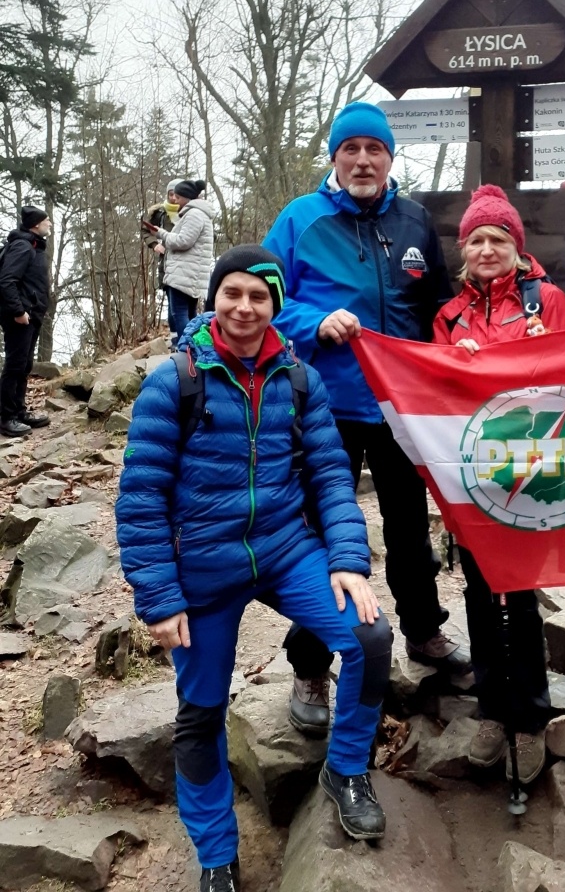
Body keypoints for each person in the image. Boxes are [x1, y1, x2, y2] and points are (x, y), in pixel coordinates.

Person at [116, 245, 392, 891]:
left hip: (285, 549)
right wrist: (158, 594)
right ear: (214, 298)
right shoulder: (175, 380)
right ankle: (216, 855)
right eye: (231, 293)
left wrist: (348, 557)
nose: (244, 307)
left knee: (370, 637)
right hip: (202, 571)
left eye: (258, 296)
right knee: (201, 713)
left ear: (275, 306)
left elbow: (330, 474)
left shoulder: (300, 379)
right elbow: (140, 495)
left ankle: (345, 768)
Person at [263, 100, 467, 737]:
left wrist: (460, 339)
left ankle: (425, 631)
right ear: (334, 158)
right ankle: (310, 663)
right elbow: (262, 296)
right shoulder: (300, 218)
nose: (362, 160)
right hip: (323, 403)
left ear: (389, 158)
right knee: (321, 535)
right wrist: (312, 323)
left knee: (409, 525)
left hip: (401, 406)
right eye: (349, 150)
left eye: (373, 150)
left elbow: (436, 302)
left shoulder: (413, 219)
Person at [432, 185, 565, 784]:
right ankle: (492, 710)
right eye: (476, 239)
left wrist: (550, 354)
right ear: (464, 250)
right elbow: (436, 399)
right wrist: (453, 362)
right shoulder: (448, 315)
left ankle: (532, 715)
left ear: (517, 248)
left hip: (536, 467)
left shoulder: (549, 301)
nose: (487, 248)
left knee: (522, 592)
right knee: (478, 590)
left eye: (498, 238)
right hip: (475, 472)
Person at [0, 206, 52, 438]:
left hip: (32, 315)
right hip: (20, 317)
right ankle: (6, 417)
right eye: (46, 220)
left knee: (24, 365)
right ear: (35, 225)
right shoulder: (22, 246)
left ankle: (19, 412)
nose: (49, 223)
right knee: (15, 365)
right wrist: (19, 311)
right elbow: (7, 281)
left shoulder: (33, 245)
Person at [149, 179, 216, 348]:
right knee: (190, 313)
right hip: (189, 273)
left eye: (178, 197)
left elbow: (182, 241)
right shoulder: (197, 214)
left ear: (186, 197)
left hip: (185, 273)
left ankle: (186, 348)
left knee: (179, 312)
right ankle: (194, 347)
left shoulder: (194, 215)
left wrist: (162, 234)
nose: (175, 200)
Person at [141, 178, 185, 295]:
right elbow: (145, 229)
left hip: (187, 265)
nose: (174, 198)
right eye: (171, 194)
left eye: (177, 195)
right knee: (173, 306)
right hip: (167, 264)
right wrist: (154, 244)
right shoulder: (160, 213)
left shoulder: (192, 213)